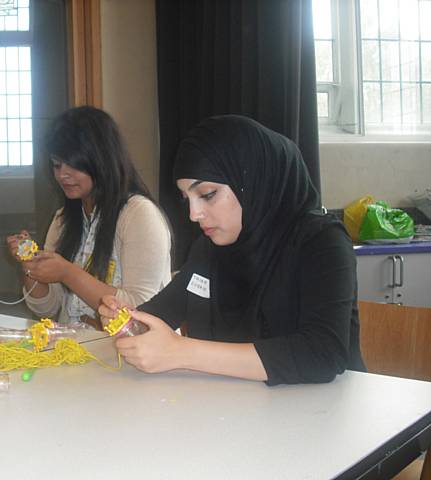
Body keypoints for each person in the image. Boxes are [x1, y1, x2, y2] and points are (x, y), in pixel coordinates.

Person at [99, 115, 366, 385]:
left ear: (252, 182)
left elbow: (321, 354)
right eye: (186, 199)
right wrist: (127, 320)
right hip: (236, 411)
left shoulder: (322, 242)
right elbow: (160, 312)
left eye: (207, 194)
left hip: (325, 415)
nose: (194, 214)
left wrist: (182, 352)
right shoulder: (208, 250)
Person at [7, 106, 171, 326]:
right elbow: (47, 308)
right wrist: (30, 265)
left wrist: (67, 273)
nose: (62, 174)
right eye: (56, 164)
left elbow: (141, 310)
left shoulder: (139, 215)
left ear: (101, 161)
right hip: (76, 348)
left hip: (130, 354)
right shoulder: (63, 219)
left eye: (74, 164)